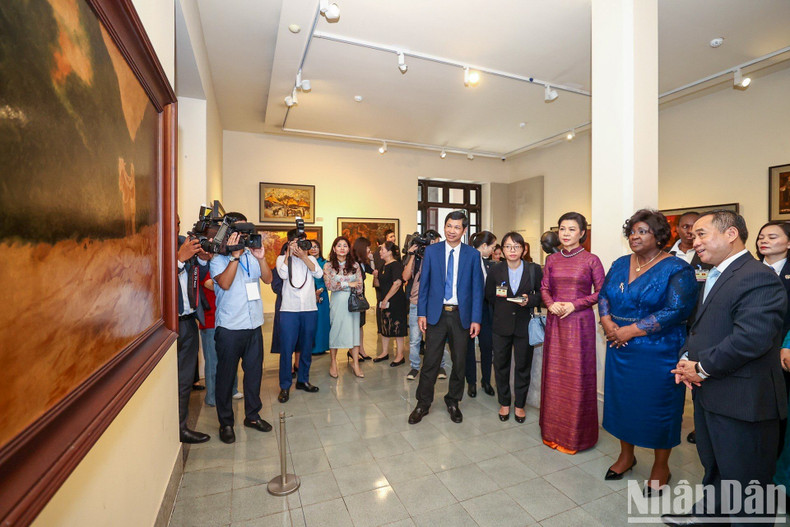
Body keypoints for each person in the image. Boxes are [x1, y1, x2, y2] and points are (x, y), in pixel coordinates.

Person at [667, 211, 786, 526]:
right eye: (693, 234)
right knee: (717, 468)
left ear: (731, 234)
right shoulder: (716, 274)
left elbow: (751, 338)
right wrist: (686, 357)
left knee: (748, 484)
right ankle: (710, 516)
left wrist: (701, 368)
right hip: (712, 393)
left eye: (702, 234)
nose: (694, 240)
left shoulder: (757, 275)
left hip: (743, 400)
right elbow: (701, 327)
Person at [598, 210, 697, 496]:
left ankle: (661, 466)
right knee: (623, 404)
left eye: (642, 231)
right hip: (619, 347)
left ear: (660, 236)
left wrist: (629, 331)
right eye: (632, 231)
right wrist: (607, 322)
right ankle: (626, 456)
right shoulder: (619, 263)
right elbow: (604, 295)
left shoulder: (677, 268)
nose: (634, 236)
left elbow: (676, 310)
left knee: (658, 408)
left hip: (659, 350)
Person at [409, 210, 484, 425]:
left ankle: (453, 400)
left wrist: (476, 319)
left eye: (457, 227)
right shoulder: (432, 252)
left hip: (461, 316)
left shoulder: (472, 255)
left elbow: (477, 290)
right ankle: (423, 403)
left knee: (459, 362)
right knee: (430, 362)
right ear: (444, 227)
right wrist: (421, 313)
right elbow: (424, 285)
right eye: (449, 226)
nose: (452, 230)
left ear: (464, 230)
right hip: (436, 315)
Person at [540, 212, 605, 454]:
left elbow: (601, 292)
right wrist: (550, 304)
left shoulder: (591, 260)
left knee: (577, 377)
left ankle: (576, 436)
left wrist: (574, 305)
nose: (565, 234)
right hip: (556, 321)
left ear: (582, 233)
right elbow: (544, 288)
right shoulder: (552, 260)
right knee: (554, 376)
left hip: (580, 324)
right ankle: (552, 431)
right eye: (562, 229)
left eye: (571, 229)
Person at [210, 213, 273, 444]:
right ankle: (226, 423)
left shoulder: (252, 255)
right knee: (226, 378)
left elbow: (268, 279)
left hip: (253, 325)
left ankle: (252, 416)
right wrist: (234, 257)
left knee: (254, 375)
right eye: (237, 232)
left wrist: (261, 259)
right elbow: (225, 283)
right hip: (230, 327)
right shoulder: (218, 258)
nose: (242, 236)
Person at [485, 231, 542, 423]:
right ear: (502, 250)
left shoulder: (534, 269)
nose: (512, 250)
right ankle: (504, 403)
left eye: (516, 246)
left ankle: (519, 405)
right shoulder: (495, 270)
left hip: (524, 326)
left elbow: (542, 294)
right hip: (501, 325)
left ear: (523, 249)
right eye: (508, 246)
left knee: (523, 366)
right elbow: (489, 296)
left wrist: (529, 300)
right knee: (501, 366)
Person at [274, 229, 324, 403]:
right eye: (296, 242)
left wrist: (304, 257)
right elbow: (282, 274)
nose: (300, 246)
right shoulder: (282, 259)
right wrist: (289, 253)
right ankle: (285, 385)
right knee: (286, 349)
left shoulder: (311, 259)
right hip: (289, 310)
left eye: (303, 242)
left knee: (307, 348)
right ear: (289, 243)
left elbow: (319, 274)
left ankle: (303, 380)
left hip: (309, 309)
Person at [755, 222, 790, 457]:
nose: (764, 241)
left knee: (780, 407)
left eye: (772, 236)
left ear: (789, 243)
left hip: (782, 351)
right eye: (761, 237)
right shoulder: (749, 271)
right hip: (751, 349)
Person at [176, 217, 212, 444]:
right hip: (168, 325)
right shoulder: (153, 247)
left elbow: (198, 272)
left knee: (185, 378)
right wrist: (179, 259)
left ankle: (181, 428)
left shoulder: (184, 242)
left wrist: (203, 259)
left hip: (189, 321)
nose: (176, 227)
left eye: (178, 222)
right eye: (173, 222)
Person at [402, 231, 448, 381]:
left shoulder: (441, 257)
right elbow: (405, 277)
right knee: (415, 339)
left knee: (437, 338)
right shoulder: (416, 258)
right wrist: (412, 255)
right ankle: (415, 367)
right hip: (416, 302)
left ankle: (440, 365)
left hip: (435, 303)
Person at [199, 271, 243, 406]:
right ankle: (212, 396)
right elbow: (214, 285)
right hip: (210, 322)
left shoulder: (227, 267)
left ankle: (233, 389)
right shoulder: (205, 269)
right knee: (213, 362)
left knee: (231, 357)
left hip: (228, 321)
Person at [324, 236, 365, 378]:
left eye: (345, 245)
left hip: (352, 304)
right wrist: (348, 284)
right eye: (339, 245)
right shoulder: (328, 266)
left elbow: (359, 286)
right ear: (334, 249)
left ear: (348, 249)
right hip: (337, 303)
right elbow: (330, 285)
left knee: (354, 333)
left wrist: (343, 285)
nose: (342, 248)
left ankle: (356, 363)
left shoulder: (355, 265)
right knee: (335, 331)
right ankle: (333, 363)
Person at [466, 231, 497, 397]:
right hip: (469, 310)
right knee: (469, 348)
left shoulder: (489, 264)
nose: (493, 250)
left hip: (486, 310)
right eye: (492, 247)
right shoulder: (467, 261)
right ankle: (471, 382)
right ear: (484, 246)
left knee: (487, 346)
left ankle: (486, 380)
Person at [375, 241, 408, 366]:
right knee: (385, 325)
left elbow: (397, 283)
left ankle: (400, 355)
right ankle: (384, 352)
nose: (380, 252)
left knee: (397, 327)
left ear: (389, 252)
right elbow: (378, 284)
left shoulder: (396, 265)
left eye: (382, 249)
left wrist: (386, 299)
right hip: (385, 300)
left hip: (396, 301)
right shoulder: (383, 266)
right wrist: (376, 276)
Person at [353, 237, 374, 361]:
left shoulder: (363, 262)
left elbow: (374, 271)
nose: (369, 250)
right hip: (354, 297)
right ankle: (353, 350)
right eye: (368, 248)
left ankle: (361, 349)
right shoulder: (352, 262)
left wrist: (371, 260)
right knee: (354, 325)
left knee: (360, 324)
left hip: (361, 296)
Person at [310, 240, 331, 356]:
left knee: (321, 321)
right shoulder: (305, 261)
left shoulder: (325, 263)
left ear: (320, 249)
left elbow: (328, 280)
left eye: (316, 247)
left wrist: (319, 291)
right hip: (308, 295)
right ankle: (310, 347)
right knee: (310, 322)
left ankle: (321, 347)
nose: (313, 249)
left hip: (322, 294)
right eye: (311, 247)